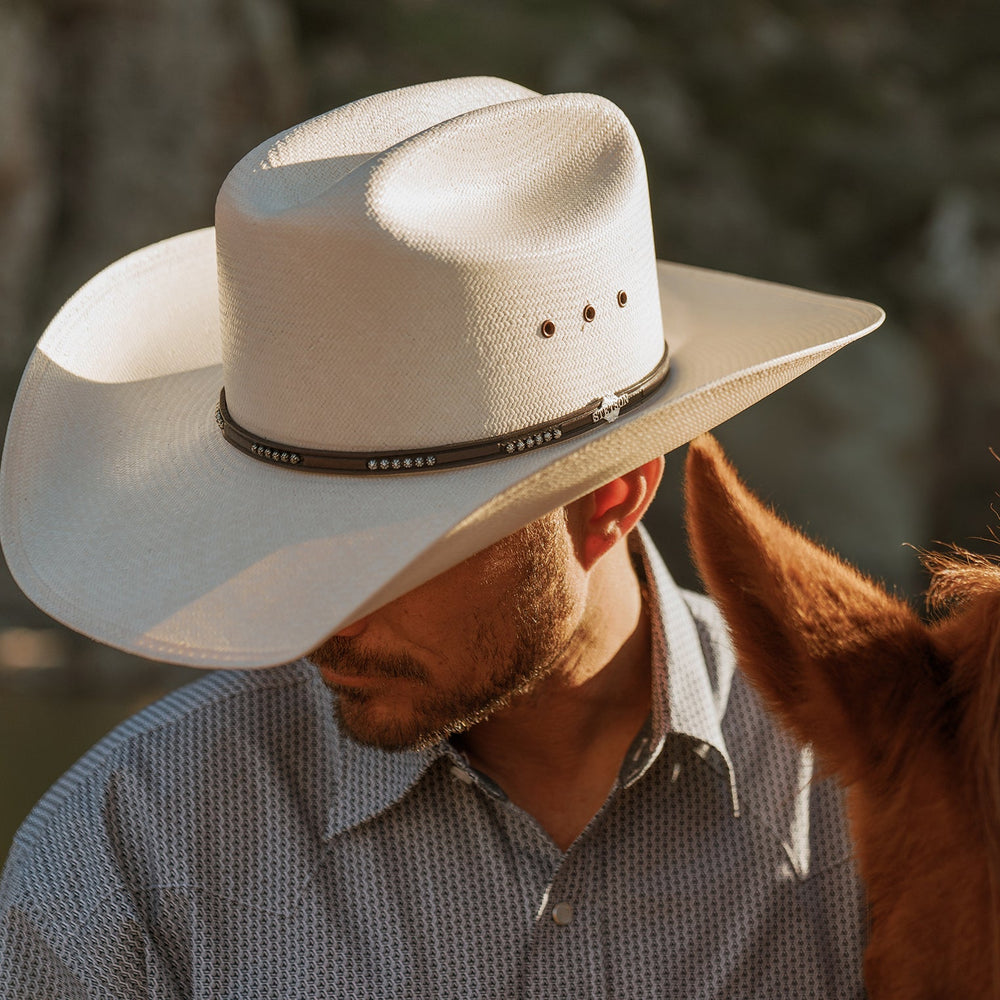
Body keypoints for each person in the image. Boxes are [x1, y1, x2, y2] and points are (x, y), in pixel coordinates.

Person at [0, 77, 883, 998]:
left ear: (612, 498)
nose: (317, 623)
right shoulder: (127, 856)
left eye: (387, 552)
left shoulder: (870, 790)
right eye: (287, 540)